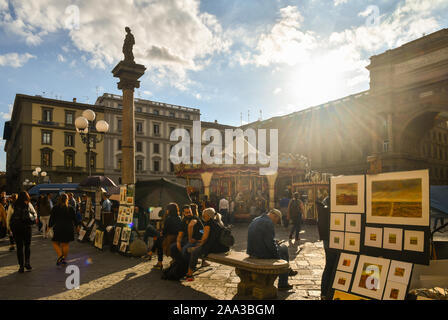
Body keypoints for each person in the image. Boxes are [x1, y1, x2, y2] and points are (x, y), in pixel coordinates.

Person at [247, 208, 297, 291]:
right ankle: (284, 278)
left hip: (252, 251)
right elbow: (270, 244)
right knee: (283, 249)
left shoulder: (256, 219)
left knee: (282, 249)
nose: (276, 222)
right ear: (274, 216)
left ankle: (287, 271)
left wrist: (274, 242)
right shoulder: (268, 223)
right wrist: (277, 256)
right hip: (260, 253)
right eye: (277, 220)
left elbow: (263, 237)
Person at [184, 208, 229, 281]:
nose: (203, 216)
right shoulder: (219, 222)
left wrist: (199, 245)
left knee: (194, 252)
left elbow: (204, 239)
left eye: (204, 215)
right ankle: (197, 266)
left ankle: (189, 273)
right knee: (197, 249)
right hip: (222, 247)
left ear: (209, 215)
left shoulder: (208, 224)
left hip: (214, 247)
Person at [49, 193, 81, 266]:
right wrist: (77, 226)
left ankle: (60, 256)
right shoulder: (70, 208)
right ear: (67, 199)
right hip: (68, 228)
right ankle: (63, 259)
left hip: (58, 227)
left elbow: (52, 218)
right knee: (65, 244)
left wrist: (49, 226)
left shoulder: (55, 207)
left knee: (55, 242)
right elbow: (74, 219)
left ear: (59, 199)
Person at [315, 194, 337, 300]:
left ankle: (324, 293)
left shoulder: (325, 201)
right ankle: (329, 292)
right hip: (333, 238)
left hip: (326, 238)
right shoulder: (333, 201)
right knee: (333, 265)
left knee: (329, 265)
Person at [9, 191, 37, 273]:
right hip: (26, 227)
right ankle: (27, 263)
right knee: (27, 246)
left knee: (19, 247)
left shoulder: (13, 205)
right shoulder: (28, 204)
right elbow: (34, 214)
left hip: (16, 228)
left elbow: (9, 216)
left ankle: (21, 266)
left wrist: (8, 227)